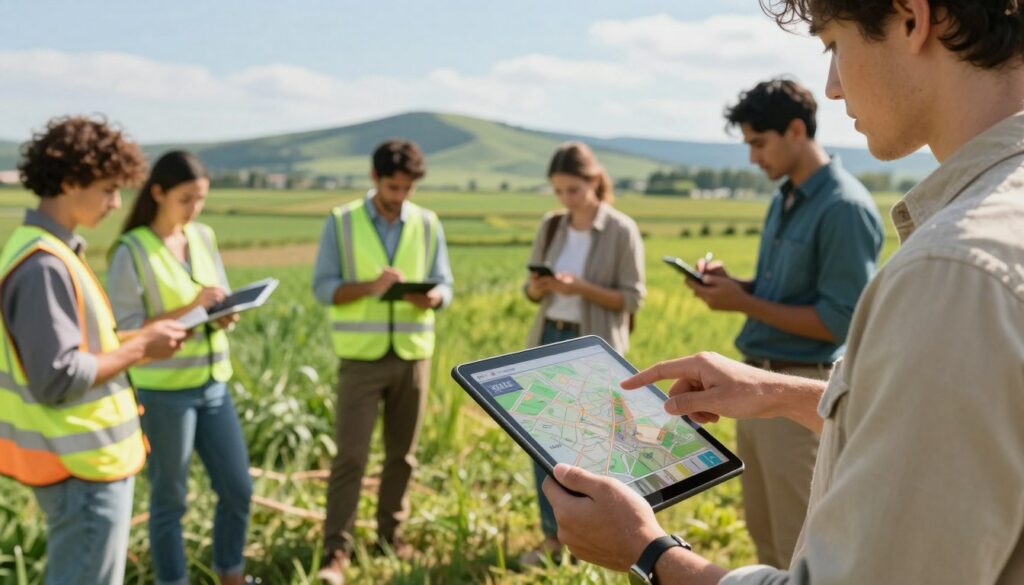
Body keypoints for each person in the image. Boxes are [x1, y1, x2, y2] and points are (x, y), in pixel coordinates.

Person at [543, 0, 1024, 583]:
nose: (834, 87)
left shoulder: (954, 272)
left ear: (913, 19)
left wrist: (647, 550)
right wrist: (785, 393)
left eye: (833, 46)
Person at [684, 78, 883, 568]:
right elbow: (786, 292)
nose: (753, 158)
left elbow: (840, 321)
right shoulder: (786, 197)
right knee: (765, 536)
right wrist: (741, 287)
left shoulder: (844, 209)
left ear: (796, 130)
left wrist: (741, 303)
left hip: (802, 392)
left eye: (758, 143)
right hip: (758, 385)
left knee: (801, 548)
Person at [0, 116, 186, 585]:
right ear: (68, 182)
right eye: (107, 189)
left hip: (83, 464)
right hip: (80, 468)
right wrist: (141, 346)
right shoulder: (44, 264)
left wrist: (135, 343)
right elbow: (58, 376)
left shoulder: (49, 251)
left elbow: (78, 351)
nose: (116, 203)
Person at [106, 151, 252, 585]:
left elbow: (214, 297)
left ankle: (232, 574)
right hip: (163, 391)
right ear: (158, 193)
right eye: (186, 199)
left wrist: (225, 312)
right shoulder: (130, 250)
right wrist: (192, 307)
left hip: (213, 385)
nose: (194, 209)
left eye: (201, 199)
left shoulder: (203, 236)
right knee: (170, 500)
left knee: (238, 489)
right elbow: (124, 331)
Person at [312, 139, 454, 585]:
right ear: (375, 179)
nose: (401, 195)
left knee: (403, 457)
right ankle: (336, 550)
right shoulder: (341, 222)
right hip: (361, 361)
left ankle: (390, 537)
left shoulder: (429, 224)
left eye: (408, 188)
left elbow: (446, 285)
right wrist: (371, 286)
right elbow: (324, 289)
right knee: (350, 457)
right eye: (394, 186)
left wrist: (434, 296)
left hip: (413, 356)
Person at [519, 141, 646, 565]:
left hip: (592, 345)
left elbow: (632, 298)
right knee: (541, 440)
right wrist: (538, 287)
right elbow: (530, 290)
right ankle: (554, 539)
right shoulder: (551, 226)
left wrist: (581, 288)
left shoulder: (620, 229)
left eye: (573, 189)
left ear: (594, 181)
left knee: (591, 445)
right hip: (548, 336)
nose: (565, 199)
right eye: (558, 191)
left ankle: (598, 543)